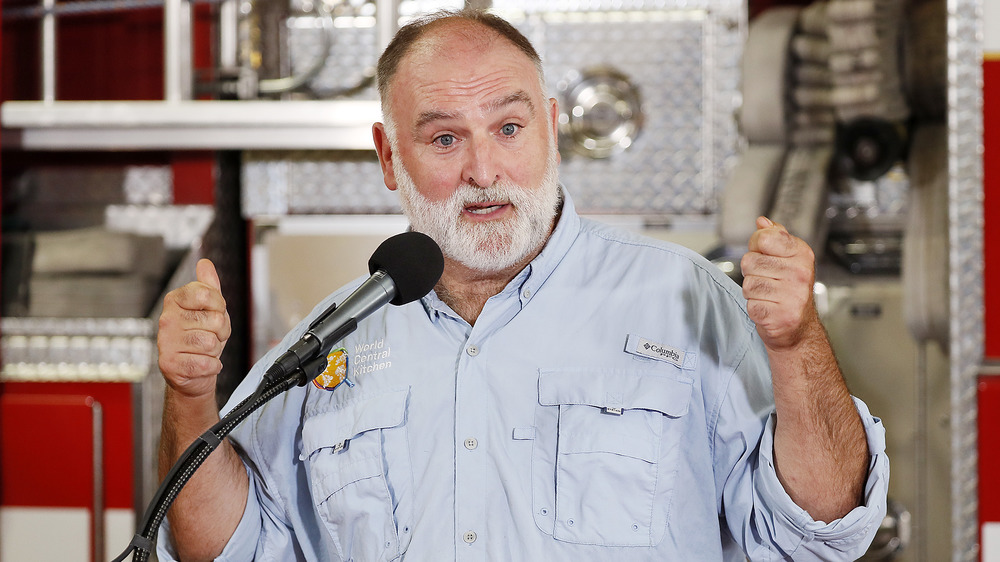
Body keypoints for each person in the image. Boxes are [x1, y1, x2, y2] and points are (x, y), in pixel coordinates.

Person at [155, 9, 888, 561]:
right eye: (445, 138)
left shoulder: (683, 301)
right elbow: (229, 550)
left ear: (550, 127)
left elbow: (825, 531)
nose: (483, 170)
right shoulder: (330, 338)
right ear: (388, 157)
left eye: (508, 129)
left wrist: (796, 345)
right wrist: (191, 399)